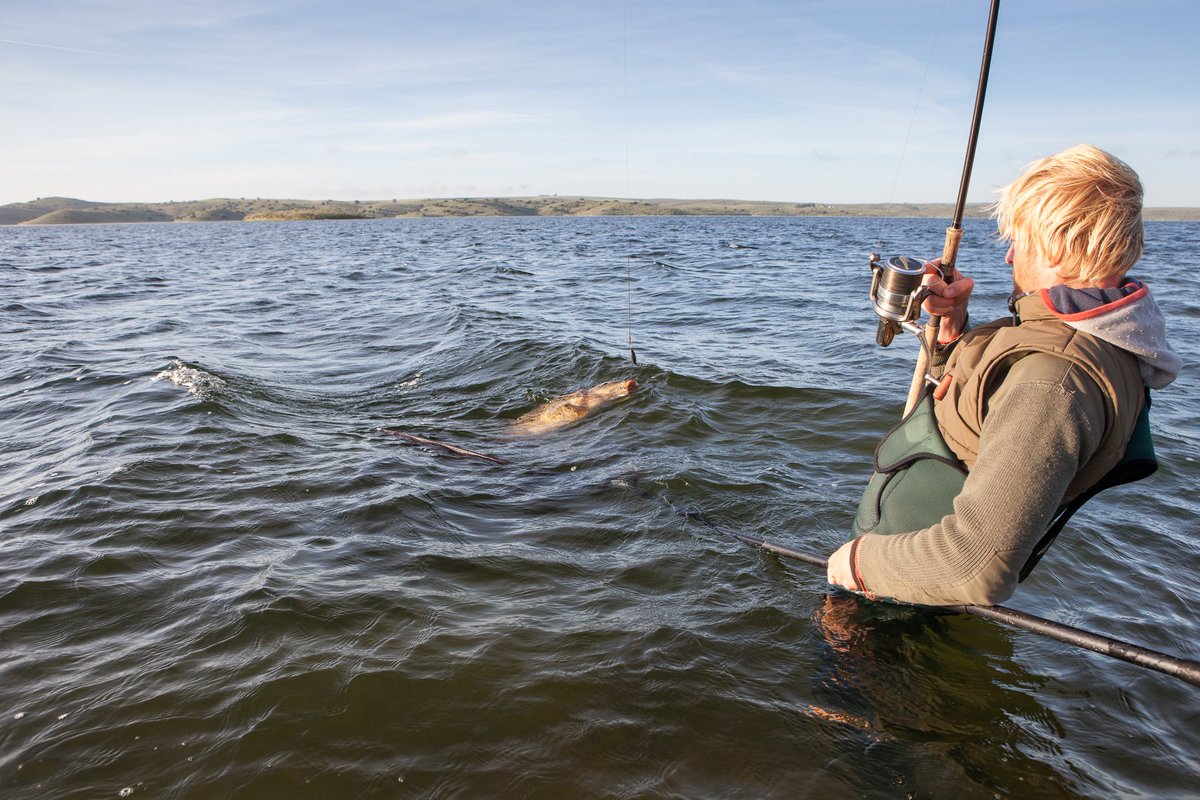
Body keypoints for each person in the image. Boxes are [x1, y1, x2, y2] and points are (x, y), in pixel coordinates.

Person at [827, 144, 1180, 607]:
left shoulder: (1054, 380)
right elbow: (977, 410)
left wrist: (854, 564)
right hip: (900, 577)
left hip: (900, 598)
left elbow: (974, 566)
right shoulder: (1082, 334)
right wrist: (953, 325)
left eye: (1021, 240)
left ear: (1058, 244)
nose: (1010, 257)